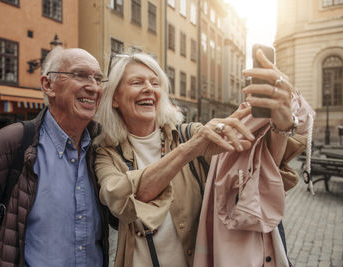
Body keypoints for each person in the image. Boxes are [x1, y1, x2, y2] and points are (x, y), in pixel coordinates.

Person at [93, 52, 313, 267]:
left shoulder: (190, 133)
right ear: (114, 98)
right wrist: (189, 150)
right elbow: (119, 200)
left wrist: (280, 124)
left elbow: (254, 167)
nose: (149, 88)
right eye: (136, 82)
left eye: (155, 82)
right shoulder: (107, 153)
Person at [0, 47, 109, 267]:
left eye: (98, 79)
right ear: (48, 85)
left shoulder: (104, 149)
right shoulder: (10, 145)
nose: (93, 87)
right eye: (80, 75)